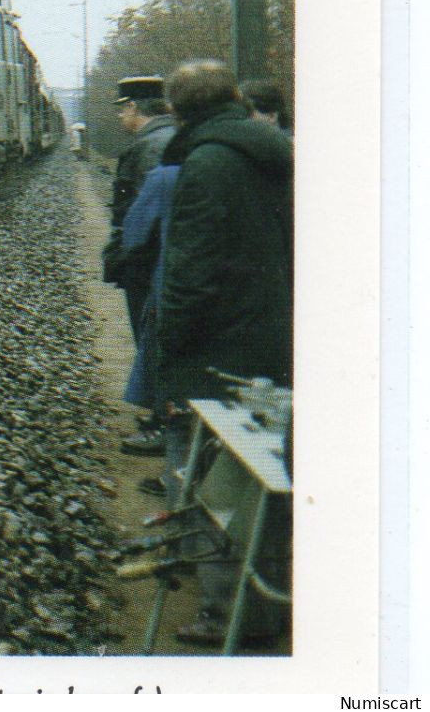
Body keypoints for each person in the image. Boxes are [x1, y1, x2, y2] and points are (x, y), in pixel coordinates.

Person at [152, 59, 293, 647]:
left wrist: (170, 345)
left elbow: (190, 268)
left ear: (178, 110)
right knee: (257, 473)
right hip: (267, 329)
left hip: (217, 341)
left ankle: (224, 613)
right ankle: (258, 604)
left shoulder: (208, 162)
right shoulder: (273, 149)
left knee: (215, 476)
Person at [100, 75, 176, 456]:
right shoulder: (168, 139)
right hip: (158, 260)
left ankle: (164, 422)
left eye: (121, 109)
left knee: (153, 338)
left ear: (132, 107)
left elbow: (141, 216)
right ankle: (162, 414)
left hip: (150, 265)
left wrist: (126, 257)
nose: (119, 117)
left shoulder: (149, 147)